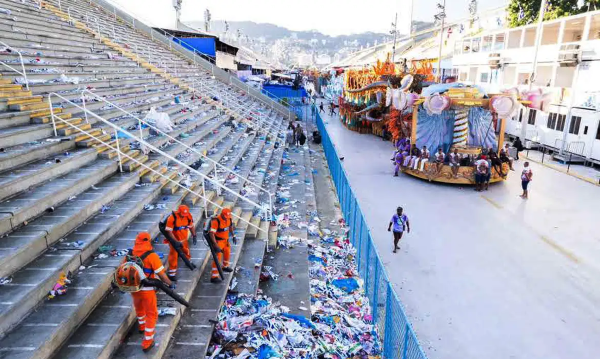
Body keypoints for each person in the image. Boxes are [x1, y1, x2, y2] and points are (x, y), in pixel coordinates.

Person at [127, 232, 173, 352]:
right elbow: (162, 275)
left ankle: (141, 326)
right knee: (152, 314)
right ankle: (147, 342)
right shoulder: (151, 256)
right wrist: (170, 284)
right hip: (147, 290)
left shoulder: (130, 253)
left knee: (139, 308)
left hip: (134, 289)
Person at [164, 205, 196, 281]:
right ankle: (172, 273)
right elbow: (169, 231)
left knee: (186, 251)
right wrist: (175, 241)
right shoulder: (172, 218)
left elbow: (191, 226)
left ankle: (188, 262)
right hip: (173, 240)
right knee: (173, 255)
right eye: (182, 214)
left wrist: (194, 235)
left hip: (183, 239)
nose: (184, 216)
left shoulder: (188, 216)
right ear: (179, 212)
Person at [208, 208, 236, 283]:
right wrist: (215, 245)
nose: (227, 218)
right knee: (217, 258)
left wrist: (233, 236)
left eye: (228, 216)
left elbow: (230, 227)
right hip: (218, 241)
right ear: (222, 214)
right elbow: (211, 234)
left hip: (225, 240)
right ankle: (214, 277)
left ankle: (225, 266)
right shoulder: (216, 221)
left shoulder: (229, 218)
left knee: (227, 253)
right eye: (226, 217)